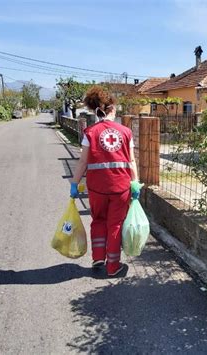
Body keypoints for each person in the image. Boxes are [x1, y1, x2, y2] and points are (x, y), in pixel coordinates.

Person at [70, 87, 138, 276]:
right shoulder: (125, 132)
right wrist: (136, 183)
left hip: (97, 187)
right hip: (120, 187)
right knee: (115, 224)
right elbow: (131, 160)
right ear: (112, 109)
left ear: (96, 111)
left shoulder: (90, 132)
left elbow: (83, 161)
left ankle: (98, 257)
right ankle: (113, 266)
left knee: (98, 220)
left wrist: (75, 184)